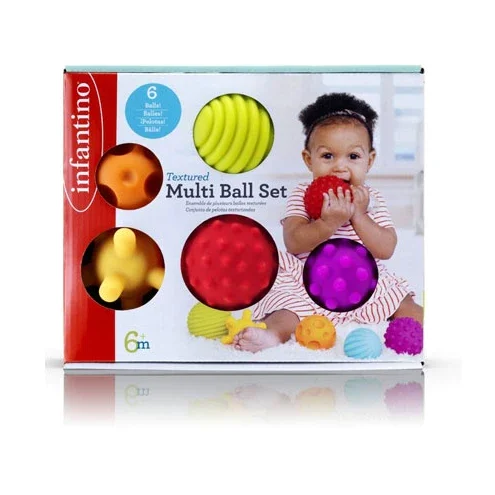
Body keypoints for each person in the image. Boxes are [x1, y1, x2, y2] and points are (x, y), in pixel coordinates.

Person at [233, 93, 423, 353]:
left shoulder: (370, 198)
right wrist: (326, 224)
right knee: (285, 306)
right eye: (328, 156)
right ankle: (272, 335)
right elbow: (293, 241)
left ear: (370, 160)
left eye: (353, 156)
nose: (339, 167)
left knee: (402, 302)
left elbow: (386, 248)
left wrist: (359, 215)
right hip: (308, 281)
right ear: (308, 159)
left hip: (365, 282)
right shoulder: (302, 194)